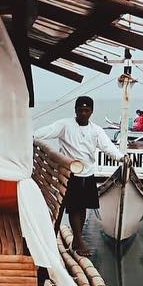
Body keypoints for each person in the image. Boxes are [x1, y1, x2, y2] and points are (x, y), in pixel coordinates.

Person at [34, 96, 122, 256]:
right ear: (75, 110)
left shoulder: (95, 130)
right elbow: (46, 132)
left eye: (86, 110)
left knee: (82, 208)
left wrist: (121, 157)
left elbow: (108, 147)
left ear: (91, 111)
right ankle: (80, 241)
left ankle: (76, 239)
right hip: (71, 173)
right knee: (74, 207)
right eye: (80, 110)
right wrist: (31, 136)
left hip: (88, 173)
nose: (83, 113)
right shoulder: (65, 125)